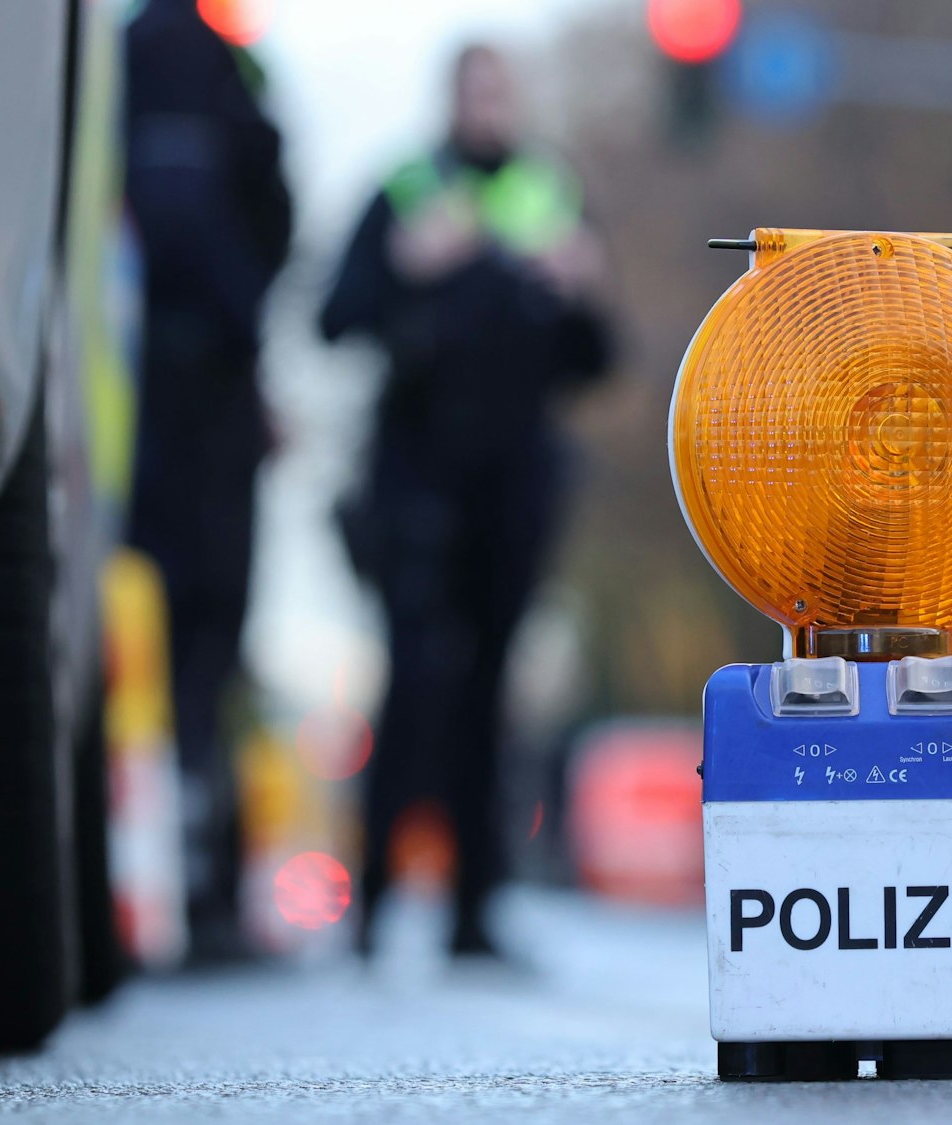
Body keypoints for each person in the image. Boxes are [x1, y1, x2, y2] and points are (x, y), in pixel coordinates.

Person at [319, 43, 613, 960]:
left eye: (501, 90)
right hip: (416, 478)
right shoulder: (407, 191)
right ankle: (371, 905)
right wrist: (409, 267)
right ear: (450, 100)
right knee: (412, 685)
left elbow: (598, 359)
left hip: (513, 484)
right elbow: (334, 317)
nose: (489, 106)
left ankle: (472, 914)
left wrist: (582, 289)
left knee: (490, 692)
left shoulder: (549, 200)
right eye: (475, 90)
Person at [123, 0, 292, 963]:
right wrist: (244, 326)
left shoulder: (144, 56)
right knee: (201, 640)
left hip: (150, 389)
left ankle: (167, 878)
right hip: (189, 399)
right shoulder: (204, 63)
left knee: (160, 640)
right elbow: (228, 217)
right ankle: (199, 889)